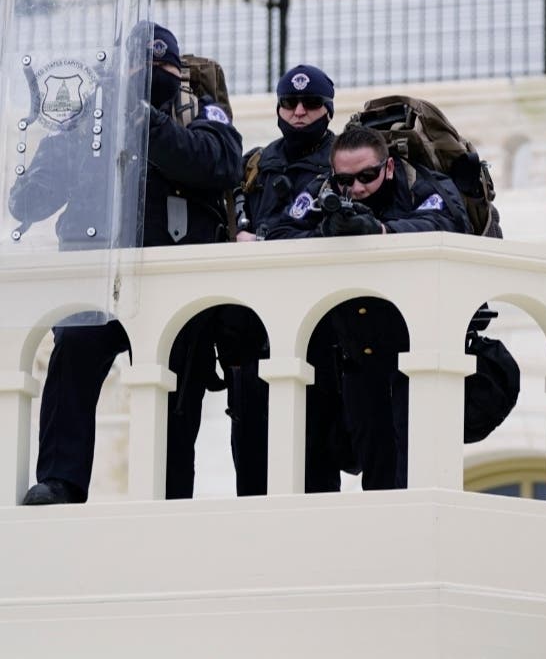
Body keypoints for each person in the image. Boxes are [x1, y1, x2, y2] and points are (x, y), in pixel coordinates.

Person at [15, 25, 242, 505]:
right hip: (99, 277)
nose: (148, 75)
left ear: (177, 69)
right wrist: (33, 174)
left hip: (174, 280)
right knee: (72, 354)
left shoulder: (197, 111)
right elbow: (36, 196)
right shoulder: (90, 117)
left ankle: (166, 498)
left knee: (176, 394)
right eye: (138, 66)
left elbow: (219, 163)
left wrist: (145, 120)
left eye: (160, 67)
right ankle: (61, 482)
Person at [271, 125, 472, 489]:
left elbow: (448, 224)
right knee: (376, 469)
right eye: (346, 180)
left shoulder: (420, 186)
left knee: (420, 467)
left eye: (367, 176)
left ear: (388, 167)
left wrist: (381, 232)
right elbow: (279, 235)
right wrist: (324, 235)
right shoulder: (323, 192)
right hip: (358, 355)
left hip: (415, 348)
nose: (357, 188)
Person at [223, 63, 341, 495]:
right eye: (289, 103)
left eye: (310, 103)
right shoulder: (255, 165)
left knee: (315, 459)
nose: (299, 112)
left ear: (327, 109)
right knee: (251, 456)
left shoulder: (343, 164)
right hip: (254, 329)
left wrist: (264, 239)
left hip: (317, 330)